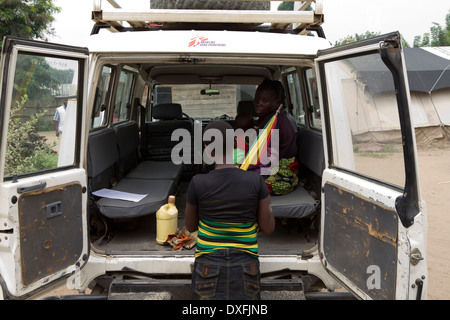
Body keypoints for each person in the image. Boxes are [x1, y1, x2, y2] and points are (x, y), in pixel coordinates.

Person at [185, 120, 274, 300]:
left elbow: (190, 226)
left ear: (206, 148)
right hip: (247, 268)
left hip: (206, 268)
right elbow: (268, 228)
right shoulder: (256, 181)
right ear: (235, 143)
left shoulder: (198, 182)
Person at [251, 78, 299, 195]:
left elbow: (266, 161)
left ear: (277, 103)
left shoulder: (274, 123)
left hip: (279, 178)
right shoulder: (269, 118)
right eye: (256, 99)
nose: (258, 103)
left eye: (264, 100)